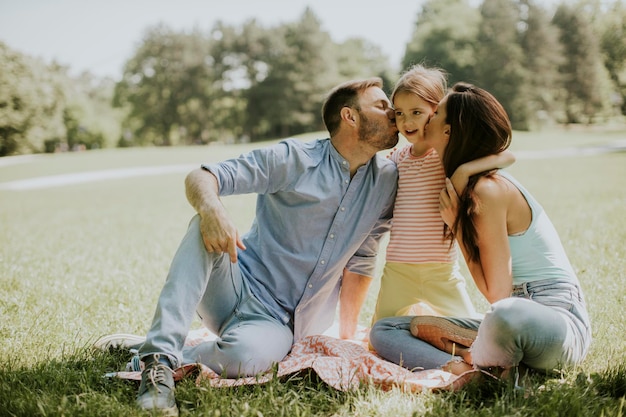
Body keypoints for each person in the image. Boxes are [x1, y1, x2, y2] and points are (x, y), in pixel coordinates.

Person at [134, 77, 400, 415]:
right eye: (381, 105)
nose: (393, 113)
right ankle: (157, 361)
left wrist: (347, 334)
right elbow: (201, 177)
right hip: (233, 285)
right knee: (204, 224)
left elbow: (363, 256)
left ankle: (148, 351)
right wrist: (212, 209)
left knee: (246, 359)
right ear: (350, 116)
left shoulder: (387, 181)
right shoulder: (293, 158)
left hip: (278, 325)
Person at [370, 82, 591, 381]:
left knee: (505, 315)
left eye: (436, 114)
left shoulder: (489, 190)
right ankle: (466, 369)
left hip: (553, 319)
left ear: (449, 131)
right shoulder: (466, 182)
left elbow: (498, 296)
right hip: (510, 318)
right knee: (385, 330)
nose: (428, 117)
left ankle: (485, 357)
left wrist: (457, 224)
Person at [371, 65, 514, 324]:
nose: (407, 122)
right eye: (400, 114)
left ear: (435, 112)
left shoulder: (445, 156)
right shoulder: (396, 159)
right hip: (398, 269)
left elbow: (508, 156)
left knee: (471, 334)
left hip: (441, 271)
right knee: (377, 336)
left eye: (417, 112)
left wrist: (465, 170)